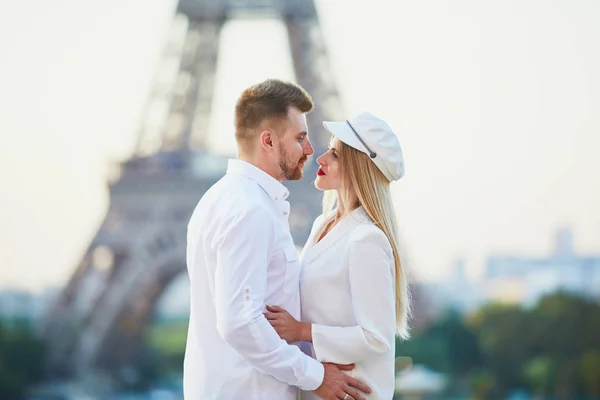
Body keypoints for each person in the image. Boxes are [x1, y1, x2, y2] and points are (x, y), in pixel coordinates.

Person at [183, 79, 371, 400]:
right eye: (300, 138)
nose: (311, 150)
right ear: (268, 140)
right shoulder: (251, 210)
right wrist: (315, 376)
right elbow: (240, 323)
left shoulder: (220, 199)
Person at [265, 111, 412, 399]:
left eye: (334, 154)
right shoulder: (324, 224)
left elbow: (376, 339)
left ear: (358, 166)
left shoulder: (367, 240)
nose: (320, 159)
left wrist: (301, 330)